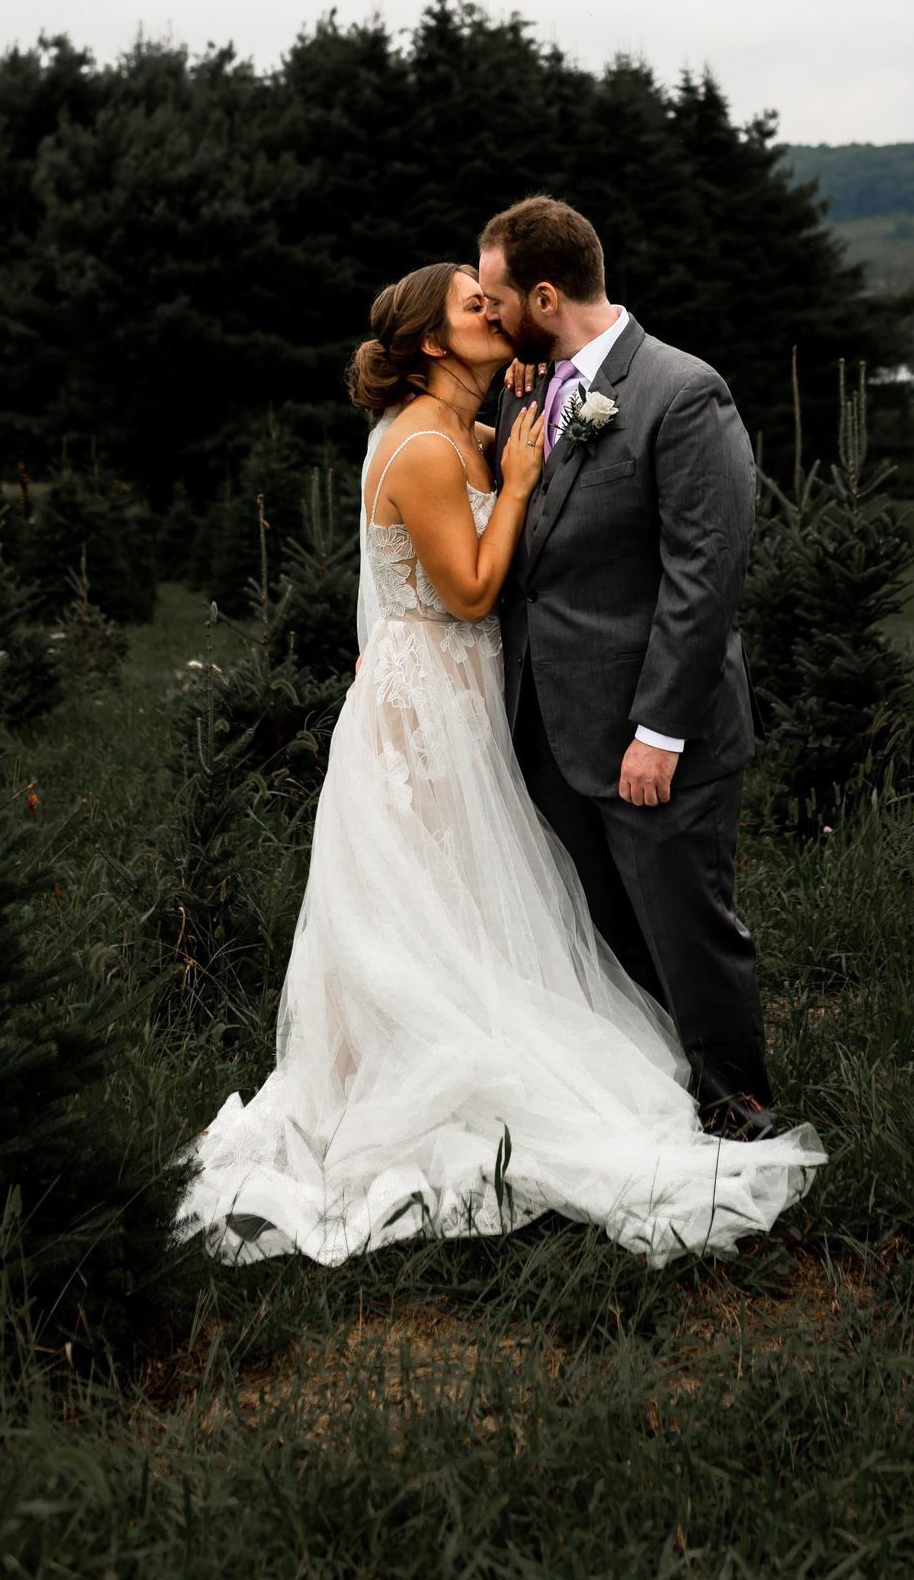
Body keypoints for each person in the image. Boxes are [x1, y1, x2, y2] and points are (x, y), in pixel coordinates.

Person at [174, 260, 824, 1268]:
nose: (499, 313)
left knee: (480, 905)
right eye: (477, 307)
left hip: (473, 700)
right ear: (434, 343)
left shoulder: (468, 431)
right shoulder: (427, 447)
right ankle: (415, 1100)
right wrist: (517, 480)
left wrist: (513, 449)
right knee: (433, 911)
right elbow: (474, 593)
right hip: (424, 711)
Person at [477, 197, 783, 1142]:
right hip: (549, 729)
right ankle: (643, 1118)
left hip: (656, 739)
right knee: (598, 947)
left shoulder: (682, 393)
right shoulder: (530, 391)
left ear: (543, 293)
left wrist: (659, 733)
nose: (487, 317)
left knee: (686, 938)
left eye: (494, 299)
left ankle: (741, 1113)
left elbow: (705, 578)